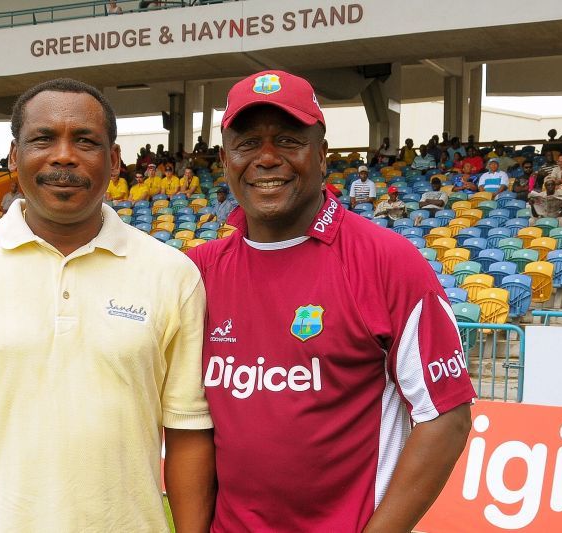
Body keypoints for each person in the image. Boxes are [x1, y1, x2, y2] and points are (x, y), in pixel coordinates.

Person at [0, 78, 214, 532]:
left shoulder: (173, 275)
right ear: (15, 156)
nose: (63, 155)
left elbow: (187, 434)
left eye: (85, 141)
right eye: (43, 138)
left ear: (113, 160)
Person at [187, 70, 474, 532]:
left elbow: (447, 416)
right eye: (247, 144)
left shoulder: (387, 262)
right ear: (224, 160)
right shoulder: (196, 272)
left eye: (287, 140)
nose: (266, 159)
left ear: (322, 156)